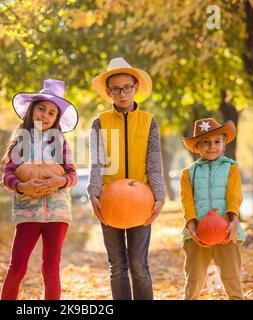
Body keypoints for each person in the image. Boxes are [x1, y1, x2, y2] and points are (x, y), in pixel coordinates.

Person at [87, 57, 166, 300]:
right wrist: (93, 193)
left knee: (139, 265)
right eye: (116, 89)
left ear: (136, 87)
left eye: (127, 87)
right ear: (109, 92)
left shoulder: (149, 121)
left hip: (141, 200)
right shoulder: (99, 122)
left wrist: (159, 196)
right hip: (110, 200)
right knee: (117, 266)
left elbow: (154, 162)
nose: (122, 94)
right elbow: (97, 162)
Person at [0, 79, 78, 300]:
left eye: (51, 113)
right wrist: (22, 186)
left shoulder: (60, 143)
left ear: (56, 119)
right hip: (27, 213)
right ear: (31, 110)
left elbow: (71, 174)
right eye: (41, 109)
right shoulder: (19, 141)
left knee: (51, 268)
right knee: (17, 266)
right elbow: (8, 175)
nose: (44, 115)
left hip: (58, 214)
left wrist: (59, 181)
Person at [180, 118, 245, 300]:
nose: (212, 146)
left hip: (226, 231)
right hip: (197, 234)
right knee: (193, 280)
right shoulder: (188, 174)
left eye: (217, 141)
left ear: (224, 143)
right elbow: (187, 202)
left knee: (232, 278)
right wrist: (191, 225)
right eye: (206, 142)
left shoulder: (231, 168)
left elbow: (234, 196)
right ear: (197, 147)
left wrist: (233, 221)